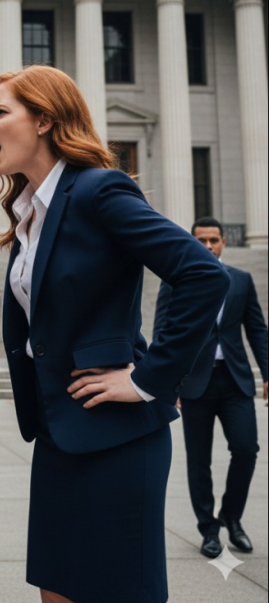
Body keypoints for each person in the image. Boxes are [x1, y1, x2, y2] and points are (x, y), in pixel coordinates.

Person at [0, 65, 230, 603]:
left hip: (118, 439)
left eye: (0, 111)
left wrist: (148, 380)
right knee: (57, 591)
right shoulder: (29, 213)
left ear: (44, 120)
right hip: (58, 434)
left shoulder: (99, 189)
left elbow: (203, 274)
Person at [154, 217, 268, 559]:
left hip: (234, 380)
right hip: (194, 383)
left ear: (222, 242)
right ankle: (209, 529)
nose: (207, 246)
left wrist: (267, 373)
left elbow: (257, 329)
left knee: (246, 450)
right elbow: (163, 331)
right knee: (198, 461)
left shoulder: (242, 280)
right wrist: (166, 382)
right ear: (192, 242)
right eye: (201, 240)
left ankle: (231, 516)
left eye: (213, 240)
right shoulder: (176, 279)